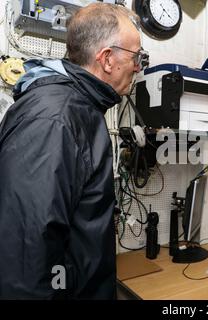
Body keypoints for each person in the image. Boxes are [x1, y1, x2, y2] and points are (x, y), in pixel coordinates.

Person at [0, 3, 143, 299]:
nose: (139, 67)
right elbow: (28, 260)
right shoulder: (56, 118)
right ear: (107, 59)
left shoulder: (79, 109)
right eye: (136, 56)